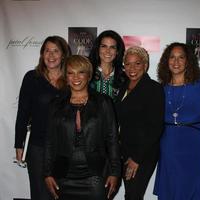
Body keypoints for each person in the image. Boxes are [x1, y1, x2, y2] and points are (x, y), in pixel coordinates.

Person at [44, 55, 121, 200]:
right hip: (63, 176)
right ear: (66, 77)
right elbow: (49, 141)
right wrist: (47, 173)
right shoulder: (55, 105)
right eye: (70, 73)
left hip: (96, 176)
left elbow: (112, 139)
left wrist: (115, 172)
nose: (75, 77)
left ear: (89, 75)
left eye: (81, 72)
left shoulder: (103, 102)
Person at [14, 36, 71, 200]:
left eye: (56, 51)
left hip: (65, 149)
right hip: (38, 148)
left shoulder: (71, 79)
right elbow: (23, 112)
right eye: (47, 50)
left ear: (63, 55)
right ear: (42, 54)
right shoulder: (32, 78)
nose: (51, 55)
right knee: (40, 195)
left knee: (61, 194)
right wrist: (19, 144)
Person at [153, 42, 200, 200]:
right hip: (170, 145)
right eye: (172, 57)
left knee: (197, 186)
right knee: (173, 187)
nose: (176, 62)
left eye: (181, 57)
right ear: (166, 61)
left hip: (197, 146)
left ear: (188, 61)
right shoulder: (160, 89)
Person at [115, 46, 165, 200]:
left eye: (137, 63)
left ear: (145, 65)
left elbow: (155, 127)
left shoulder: (153, 89)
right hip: (124, 150)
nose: (132, 68)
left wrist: (137, 158)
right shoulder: (124, 86)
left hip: (143, 154)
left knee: (133, 195)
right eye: (128, 64)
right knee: (130, 194)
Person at [89, 30, 127, 100]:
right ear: (98, 49)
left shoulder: (123, 78)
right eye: (104, 46)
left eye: (112, 47)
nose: (108, 51)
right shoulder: (87, 73)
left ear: (117, 51)